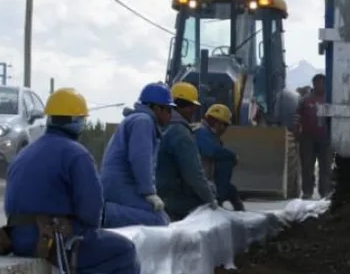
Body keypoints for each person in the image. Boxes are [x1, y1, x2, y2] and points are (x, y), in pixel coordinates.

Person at [1, 87, 158, 274]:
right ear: (76, 121)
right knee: (121, 252)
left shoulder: (26, 151)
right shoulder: (76, 154)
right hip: (51, 238)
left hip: (19, 237)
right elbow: (91, 211)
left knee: (81, 252)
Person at [100, 82, 174, 228]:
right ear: (156, 108)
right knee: (159, 219)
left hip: (118, 184)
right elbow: (140, 158)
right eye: (168, 110)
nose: (170, 115)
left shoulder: (138, 119)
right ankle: (105, 214)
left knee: (160, 217)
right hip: (121, 186)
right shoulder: (143, 122)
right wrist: (148, 192)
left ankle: (107, 213)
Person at [155, 81, 218, 221]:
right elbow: (194, 174)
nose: (193, 111)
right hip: (170, 199)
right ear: (187, 107)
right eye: (192, 107)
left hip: (155, 193)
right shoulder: (180, 132)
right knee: (211, 191)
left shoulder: (160, 126)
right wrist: (211, 199)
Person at [197, 103, 245, 211]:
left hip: (208, 178)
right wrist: (232, 155)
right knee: (227, 159)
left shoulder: (213, 137)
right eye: (223, 125)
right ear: (216, 122)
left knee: (231, 190)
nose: (224, 129)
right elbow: (209, 151)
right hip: (200, 180)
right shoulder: (201, 132)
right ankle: (218, 199)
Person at [293, 72, 331, 200]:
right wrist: (296, 132)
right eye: (318, 83)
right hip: (307, 138)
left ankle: (324, 191)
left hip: (325, 139)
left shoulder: (330, 99)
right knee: (307, 166)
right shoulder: (304, 100)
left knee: (325, 166)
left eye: (323, 83)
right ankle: (307, 192)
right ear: (314, 84)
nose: (320, 85)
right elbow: (297, 117)